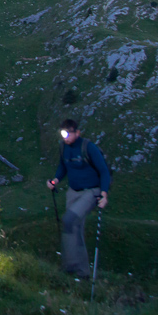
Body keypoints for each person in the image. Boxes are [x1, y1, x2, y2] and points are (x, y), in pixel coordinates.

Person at [46, 118, 110, 278]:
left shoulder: (88, 147)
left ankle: (71, 267)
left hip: (91, 192)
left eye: (68, 134)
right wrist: (55, 181)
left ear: (77, 132)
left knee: (69, 220)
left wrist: (104, 194)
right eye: (62, 134)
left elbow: (104, 171)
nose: (65, 137)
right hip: (73, 192)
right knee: (74, 228)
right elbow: (63, 166)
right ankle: (80, 271)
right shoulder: (63, 148)